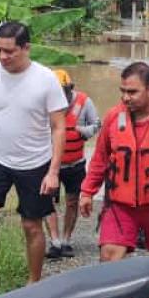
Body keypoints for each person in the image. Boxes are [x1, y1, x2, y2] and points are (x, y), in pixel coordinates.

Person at [0, 21, 67, 298]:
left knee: (32, 225)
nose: (2, 57)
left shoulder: (45, 79)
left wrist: (53, 171)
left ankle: (33, 284)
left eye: (9, 51)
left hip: (36, 163)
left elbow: (58, 127)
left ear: (26, 48)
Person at [79, 62, 149, 261]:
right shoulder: (114, 117)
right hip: (120, 205)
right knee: (109, 257)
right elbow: (100, 158)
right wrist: (87, 191)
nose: (125, 97)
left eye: (132, 92)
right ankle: (115, 292)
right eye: (122, 91)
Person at [45, 69, 100, 259]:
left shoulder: (84, 102)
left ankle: (67, 239)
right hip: (50, 163)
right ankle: (54, 241)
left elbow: (97, 125)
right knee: (47, 201)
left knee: (72, 201)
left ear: (71, 88)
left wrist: (81, 131)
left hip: (75, 163)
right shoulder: (45, 103)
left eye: (64, 92)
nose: (61, 97)